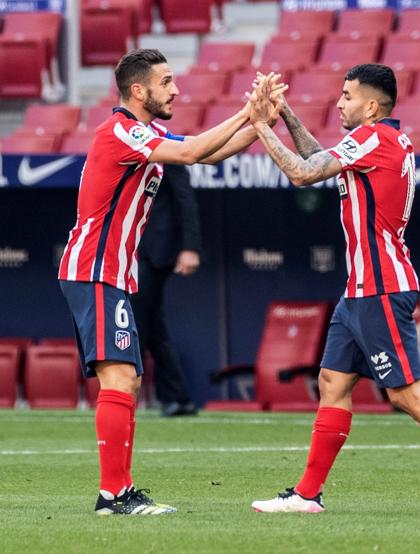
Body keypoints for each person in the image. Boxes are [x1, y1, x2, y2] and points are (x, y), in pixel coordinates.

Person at [247, 64, 420, 515]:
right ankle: (307, 494)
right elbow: (319, 159)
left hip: (381, 287)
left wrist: (260, 126)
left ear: (372, 106)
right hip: (358, 290)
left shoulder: (374, 139)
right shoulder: (378, 140)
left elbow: (302, 172)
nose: (339, 103)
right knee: (333, 382)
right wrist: (285, 112)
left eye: (347, 96)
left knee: (407, 394)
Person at [57, 48, 284, 515]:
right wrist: (247, 111)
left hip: (113, 272)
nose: (176, 90)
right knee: (120, 377)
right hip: (95, 268)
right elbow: (192, 150)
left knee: (130, 379)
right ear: (137, 90)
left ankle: (119, 491)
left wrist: (263, 124)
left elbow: (209, 156)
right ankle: (113, 496)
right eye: (166, 82)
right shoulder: (120, 130)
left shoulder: (146, 133)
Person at [132, 163, 201, 417]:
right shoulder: (129, 147)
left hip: (158, 249)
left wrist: (190, 247)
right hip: (136, 247)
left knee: (137, 321)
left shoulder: (167, 149)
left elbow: (185, 199)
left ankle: (125, 393)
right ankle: (178, 397)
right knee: (153, 326)